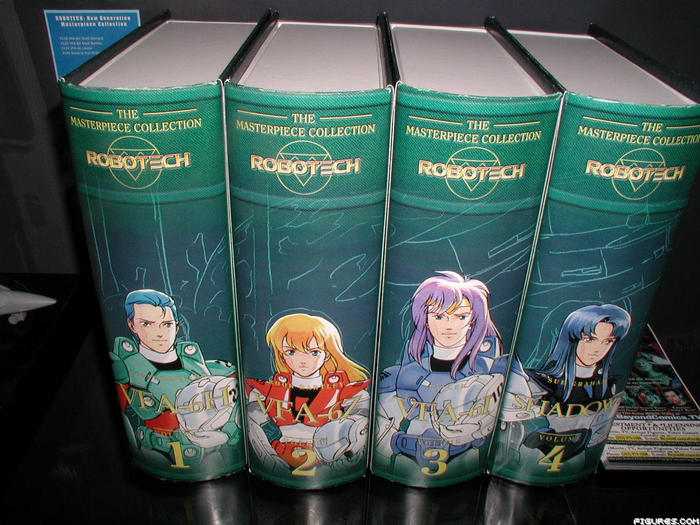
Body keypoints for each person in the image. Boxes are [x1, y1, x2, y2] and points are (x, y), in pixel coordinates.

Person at [374, 271, 517, 477]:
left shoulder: (490, 370)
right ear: (425, 318)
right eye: (439, 316)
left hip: (466, 459)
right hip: (407, 459)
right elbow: (384, 427)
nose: (449, 326)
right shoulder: (405, 372)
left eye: (461, 316)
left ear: (473, 319)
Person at [111, 289, 240, 468]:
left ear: (177, 326)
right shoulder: (125, 368)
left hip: (213, 457)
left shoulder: (201, 366)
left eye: (166, 324)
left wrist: (227, 434)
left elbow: (241, 401)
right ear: (132, 325)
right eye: (147, 324)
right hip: (157, 456)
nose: (159, 333)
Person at [245, 313, 371, 473]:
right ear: (282, 355)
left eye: (314, 352)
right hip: (275, 459)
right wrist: (271, 446)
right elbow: (255, 422)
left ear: (327, 354)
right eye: (291, 352)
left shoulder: (348, 393)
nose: (302, 360)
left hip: (330, 464)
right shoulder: (266, 391)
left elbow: (359, 427)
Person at [522, 304, 631, 464]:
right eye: (590, 339)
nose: (598, 349)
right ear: (572, 338)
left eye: (608, 341)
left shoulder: (608, 385)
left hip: (582, 456)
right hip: (536, 455)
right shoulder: (540, 382)